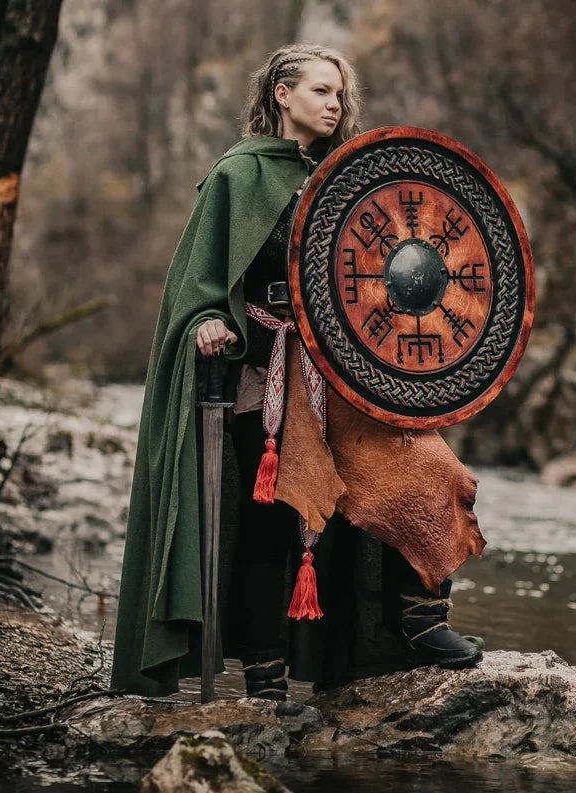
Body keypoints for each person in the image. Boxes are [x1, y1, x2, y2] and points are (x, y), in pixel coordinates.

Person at [110, 44, 485, 701]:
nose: (334, 103)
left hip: (345, 372)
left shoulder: (347, 177)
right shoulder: (239, 174)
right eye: (319, 90)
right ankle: (264, 674)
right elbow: (201, 276)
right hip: (268, 370)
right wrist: (205, 318)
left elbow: (383, 272)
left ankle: (420, 618)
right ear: (280, 94)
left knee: (433, 470)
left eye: (339, 92)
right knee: (274, 527)